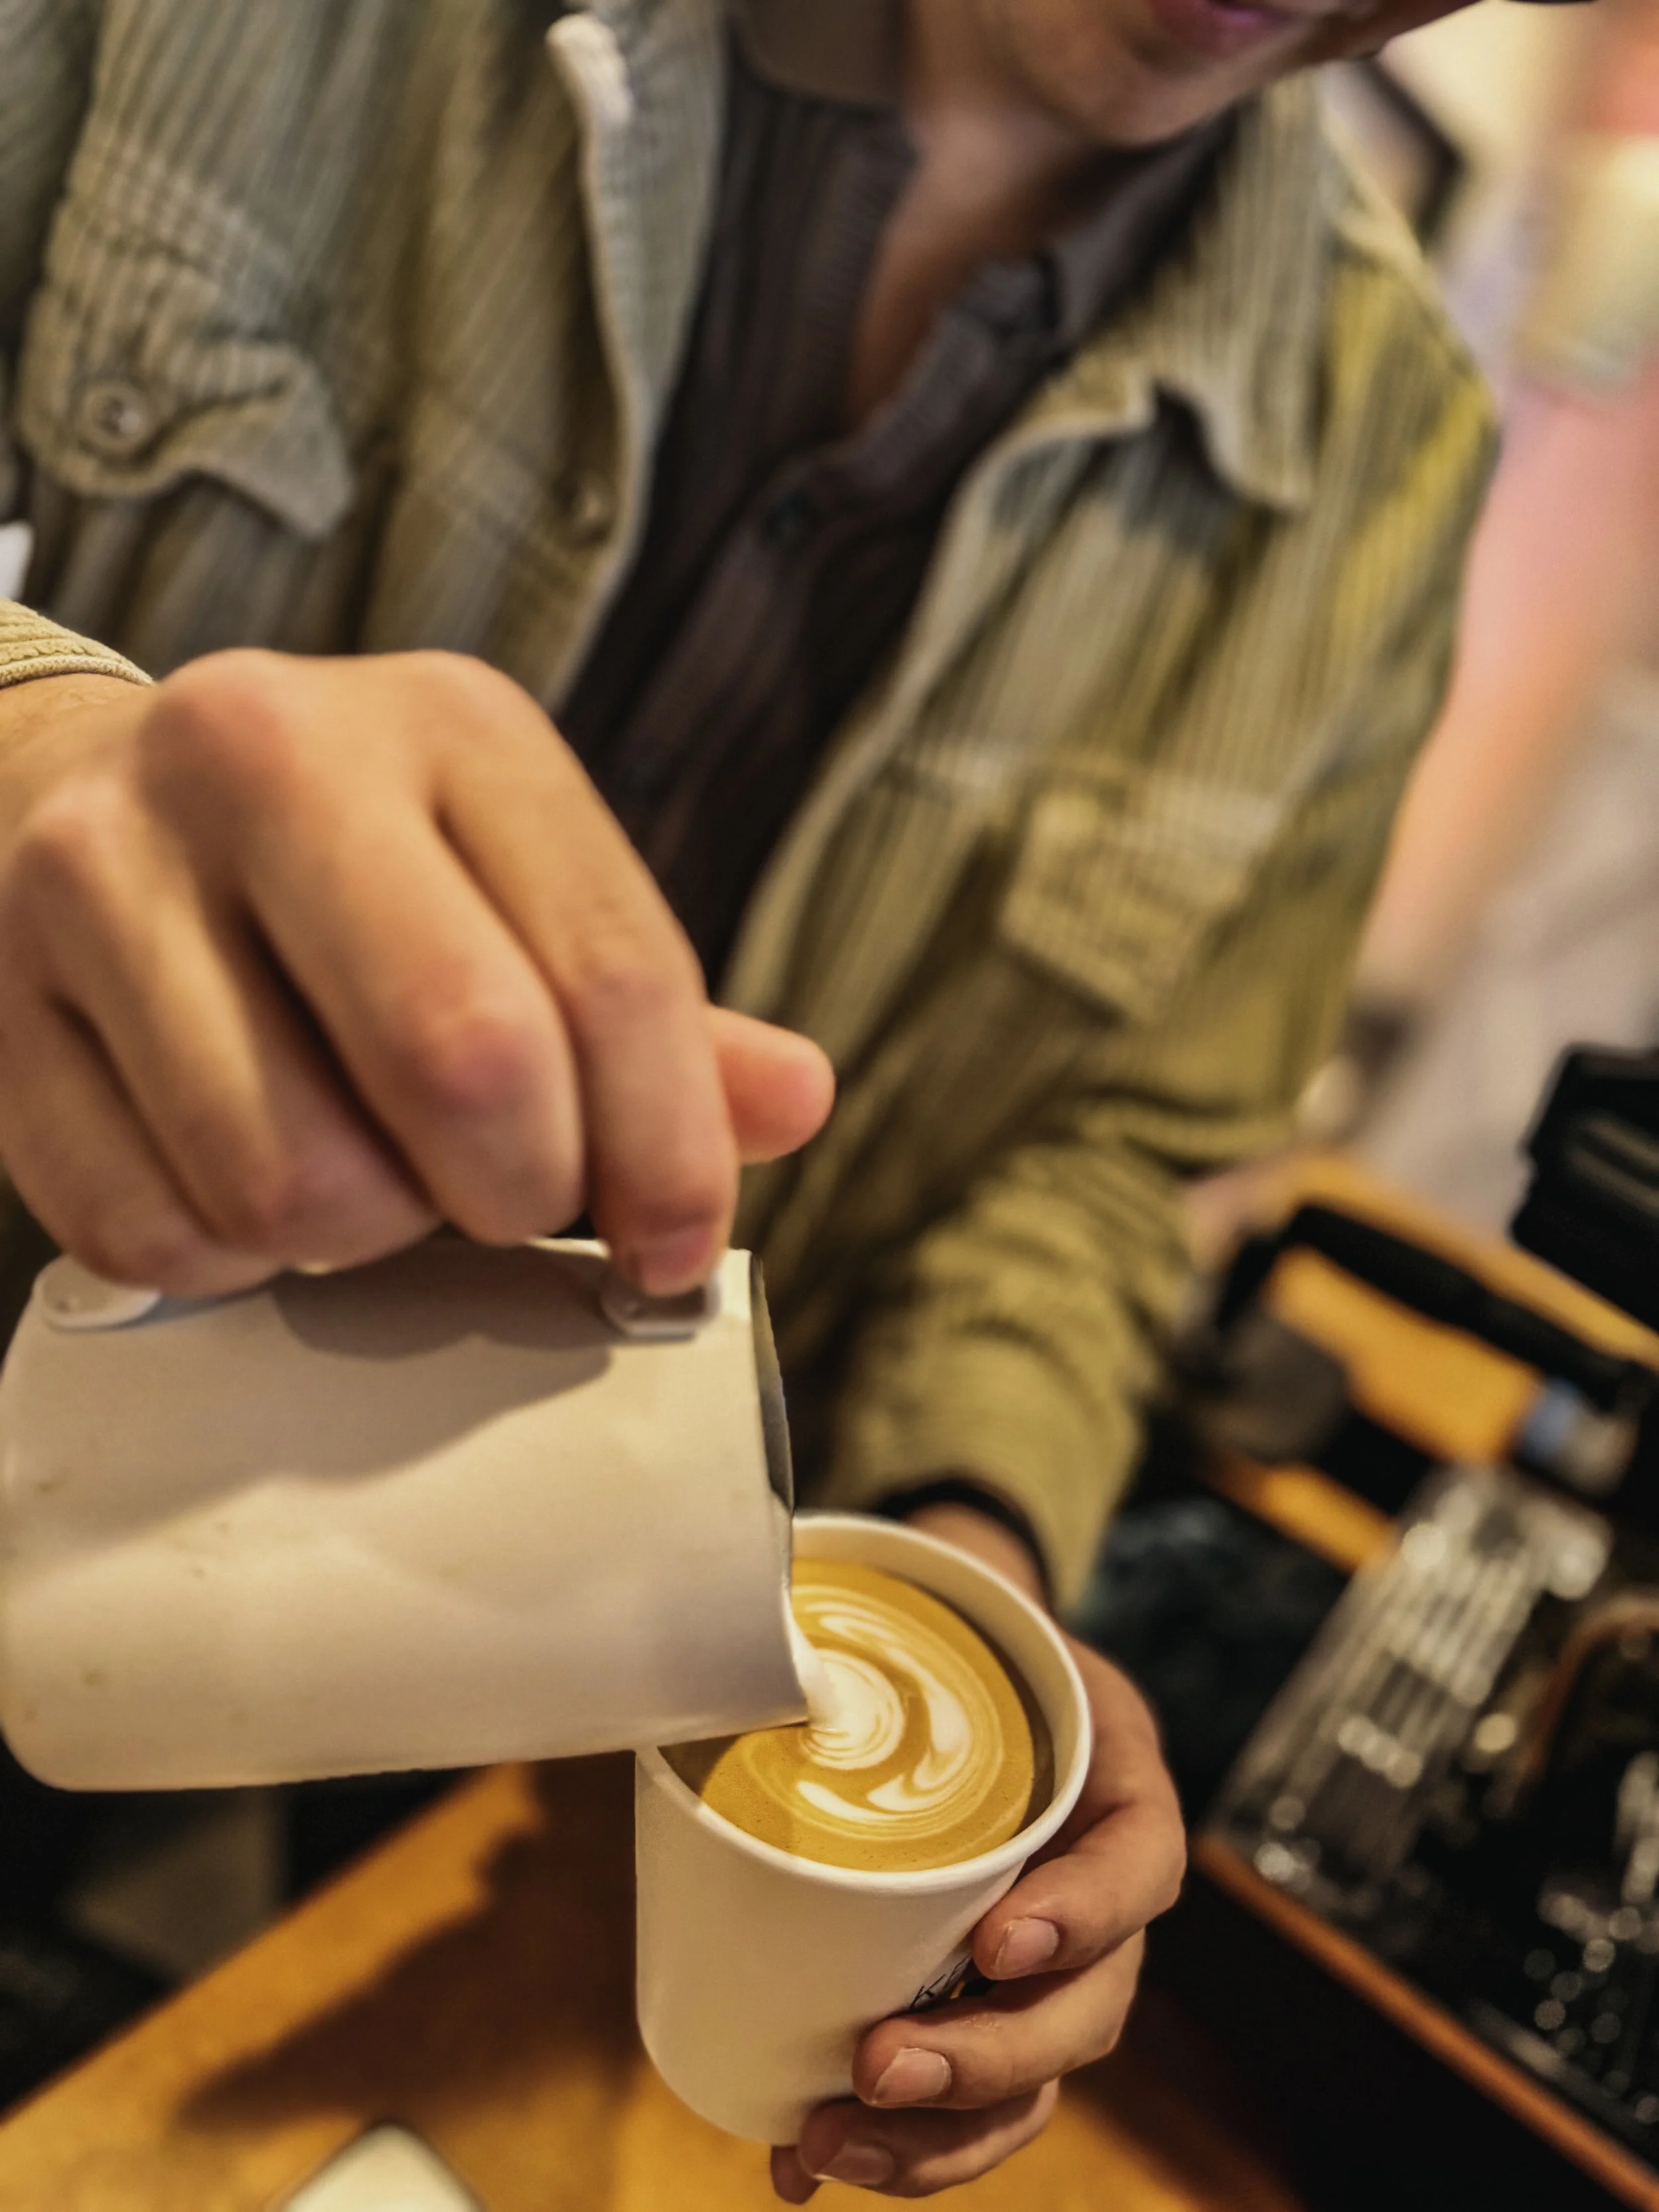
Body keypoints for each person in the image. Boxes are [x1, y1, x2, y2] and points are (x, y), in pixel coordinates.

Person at [0, 0, 1500, 2196]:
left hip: (484, 1687)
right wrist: (37, 752)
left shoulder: (1385, 457)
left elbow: (1098, 1152)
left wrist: (960, 1558)